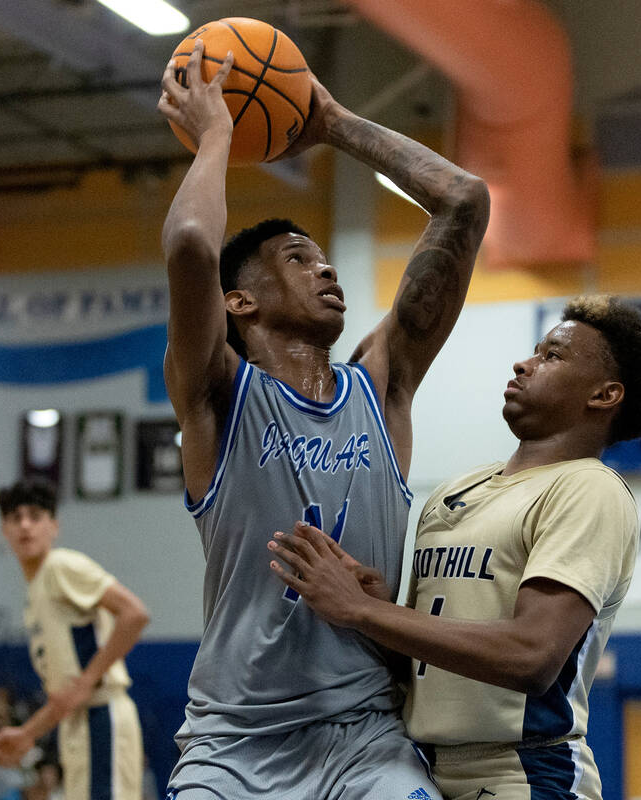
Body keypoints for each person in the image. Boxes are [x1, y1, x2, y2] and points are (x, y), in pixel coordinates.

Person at [156, 35, 489, 799]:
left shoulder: (382, 387)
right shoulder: (216, 395)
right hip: (234, 743)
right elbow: (188, 245)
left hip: (365, 735)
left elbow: (464, 201)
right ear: (239, 302)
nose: (327, 268)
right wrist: (217, 136)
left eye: (322, 257)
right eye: (298, 259)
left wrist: (333, 121)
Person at [269, 295, 641, 800]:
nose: (523, 363)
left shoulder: (589, 489)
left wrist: (361, 613)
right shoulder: (455, 492)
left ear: (604, 394)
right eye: (534, 351)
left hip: (523, 773)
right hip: (421, 765)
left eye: (552, 356)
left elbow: (531, 657)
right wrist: (375, 609)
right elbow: (425, 663)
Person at [0, 478, 150, 800]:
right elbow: (67, 695)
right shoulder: (36, 592)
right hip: (77, 724)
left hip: (102, 717)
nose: (25, 525)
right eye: (15, 518)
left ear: (54, 526)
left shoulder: (61, 566)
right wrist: (27, 734)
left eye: (35, 516)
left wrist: (89, 679)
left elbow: (134, 613)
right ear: (4, 529)